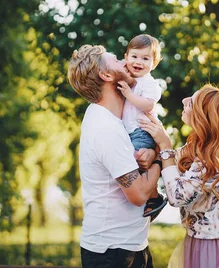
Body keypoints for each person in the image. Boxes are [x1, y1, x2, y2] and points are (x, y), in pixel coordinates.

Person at [139, 84, 219, 268]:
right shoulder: (214, 149)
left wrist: (166, 147)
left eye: (191, 102)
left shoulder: (213, 158)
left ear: (203, 117)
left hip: (216, 246)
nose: (184, 101)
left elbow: (177, 196)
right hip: (206, 241)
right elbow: (173, 166)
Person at [67, 44, 163, 268]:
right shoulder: (106, 128)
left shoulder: (117, 122)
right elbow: (138, 194)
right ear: (107, 75)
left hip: (132, 246)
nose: (126, 62)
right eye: (117, 61)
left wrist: (154, 151)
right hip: (112, 253)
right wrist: (159, 157)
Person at [117, 34, 167, 219]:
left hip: (142, 131)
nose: (138, 62)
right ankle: (152, 196)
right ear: (126, 56)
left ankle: (151, 195)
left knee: (132, 162)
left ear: (153, 63)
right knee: (134, 163)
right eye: (134, 56)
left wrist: (129, 94)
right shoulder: (127, 76)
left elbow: (148, 105)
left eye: (145, 59)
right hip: (130, 131)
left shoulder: (149, 84)